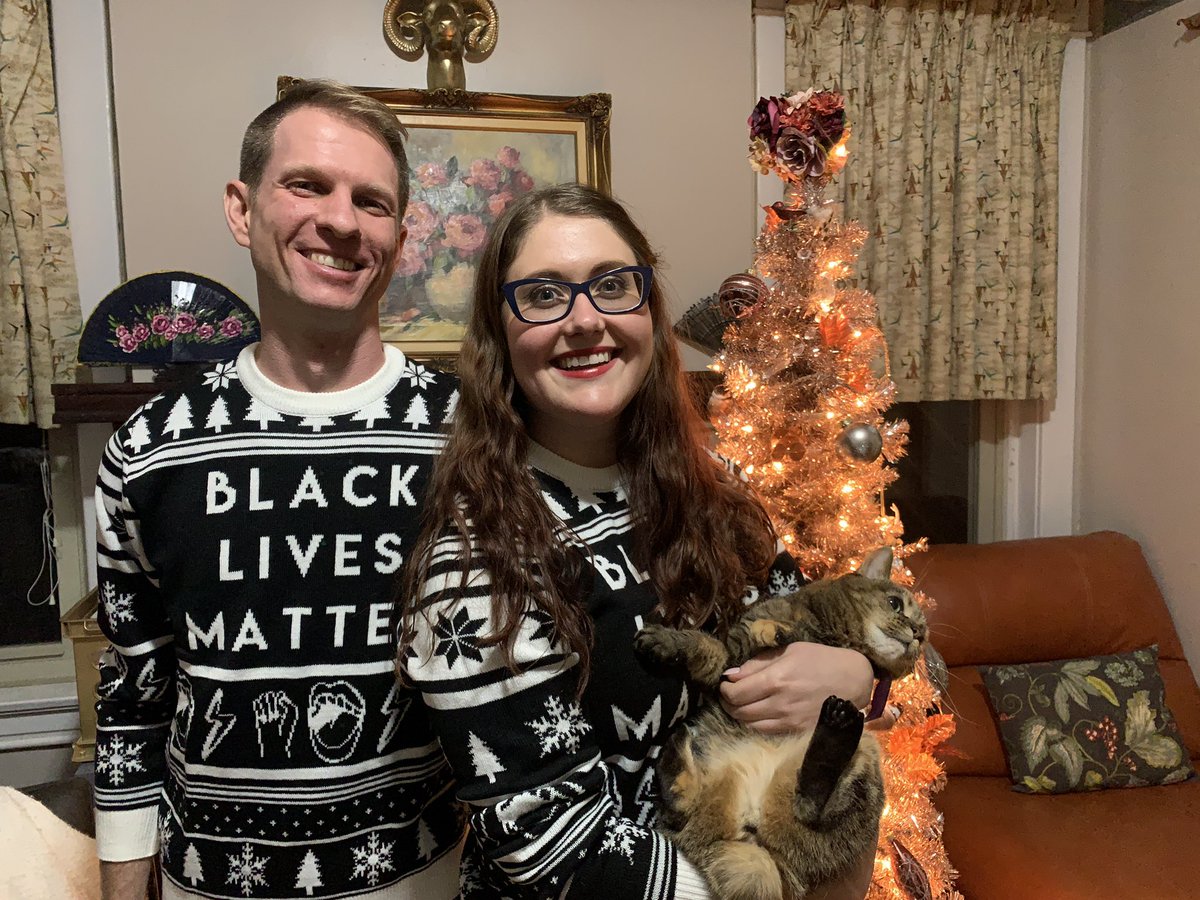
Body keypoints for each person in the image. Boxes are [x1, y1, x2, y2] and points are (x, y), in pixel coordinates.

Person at [397, 183, 879, 898]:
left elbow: (799, 625)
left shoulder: (716, 485)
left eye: (613, 286)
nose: (585, 320)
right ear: (498, 332)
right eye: (542, 295)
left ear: (648, 309)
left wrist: (857, 677)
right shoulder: (477, 566)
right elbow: (556, 847)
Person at [93, 80, 463, 900]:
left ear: (399, 237)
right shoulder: (149, 450)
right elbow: (131, 693)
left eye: (372, 201)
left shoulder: (472, 438)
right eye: (307, 185)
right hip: (208, 885)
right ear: (241, 208)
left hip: (428, 877)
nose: (340, 221)